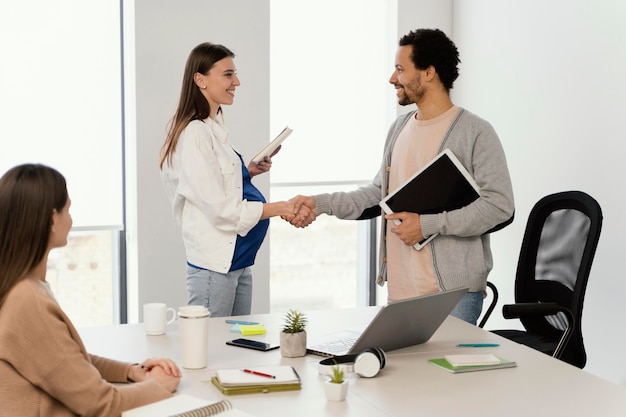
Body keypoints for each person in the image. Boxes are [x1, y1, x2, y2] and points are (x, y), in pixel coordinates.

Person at [288, 29, 514, 325]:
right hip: (402, 289)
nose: (392, 79)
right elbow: (377, 196)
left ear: (429, 73)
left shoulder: (475, 131)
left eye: (400, 69)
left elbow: (499, 206)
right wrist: (319, 203)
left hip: (451, 294)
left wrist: (427, 224)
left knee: (444, 373)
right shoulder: (399, 128)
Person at [0, 163, 182, 417]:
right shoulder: (28, 301)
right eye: (68, 209)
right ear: (53, 219)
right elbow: (101, 403)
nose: (72, 219)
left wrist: (131, 370)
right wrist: (158, 386)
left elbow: (66, 362)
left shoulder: (22, 287)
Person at [159, 42, 304, 317]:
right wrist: (280, 208)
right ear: (200, 79)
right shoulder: (194, 136)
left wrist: (247, 171)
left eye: (234, 74)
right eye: (228, 74)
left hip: (238, 262)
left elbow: (211, 184)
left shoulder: (213, 128)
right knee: (211, 353)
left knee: (235, 349)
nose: (236, 82)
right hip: (215, 268)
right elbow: (222, 210)